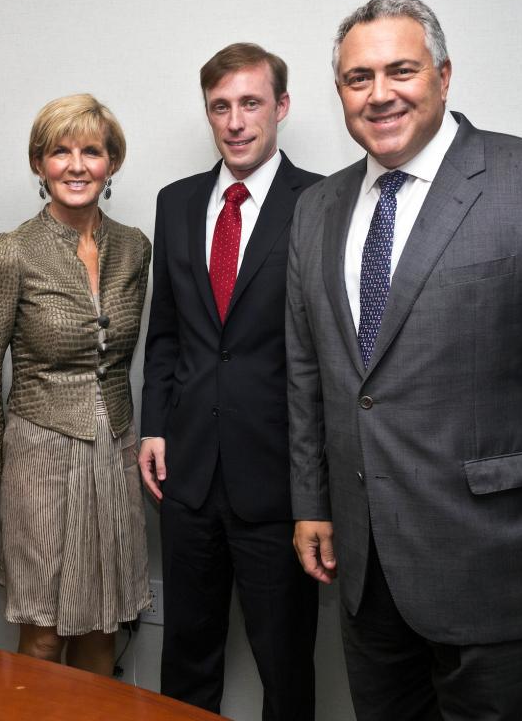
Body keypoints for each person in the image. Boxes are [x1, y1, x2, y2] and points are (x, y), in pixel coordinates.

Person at [288, 0, 522, 720]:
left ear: (444, 77)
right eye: (359, 79)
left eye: (401, 70)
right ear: (339, 94)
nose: (379, 93)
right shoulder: (317, 209)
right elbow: (309, 372)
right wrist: (313, 503)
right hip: (366, 568)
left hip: (501, 569)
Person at [139, 43, 321, 719]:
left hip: (279, 480)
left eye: (251, 103)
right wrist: (154, 423)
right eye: (221, 106)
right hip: (187, 475)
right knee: (186, 654)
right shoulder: (178, 202)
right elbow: (167, 332)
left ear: (281, 107)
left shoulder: (321, 201)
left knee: (285, 661)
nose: (236, 121)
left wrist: (319, 480)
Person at [0, 94, 152, 675]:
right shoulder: (11, 251)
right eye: (59, 152)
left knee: (101, 629)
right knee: (44, 635)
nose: (76, 166)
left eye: (91, 151)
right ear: (39, 163)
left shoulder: (134, 248)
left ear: (111, 162)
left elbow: (122, 361)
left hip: (114, 452)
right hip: (39, 454)